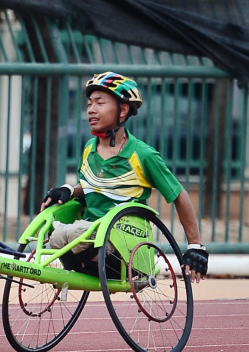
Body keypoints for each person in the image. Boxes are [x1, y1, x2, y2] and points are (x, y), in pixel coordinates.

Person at [41, 71, 209, 283]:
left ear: (122, 110)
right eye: (89, 103)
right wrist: (68, 190)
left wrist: (195, 246)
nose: (91, 110)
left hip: (123, 247)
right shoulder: (89, 149)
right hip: (89, 240)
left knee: (74, 232)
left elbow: (179, 195)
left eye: (99, 103)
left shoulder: (143, 155)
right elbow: (95, 187)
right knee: (53, 233)